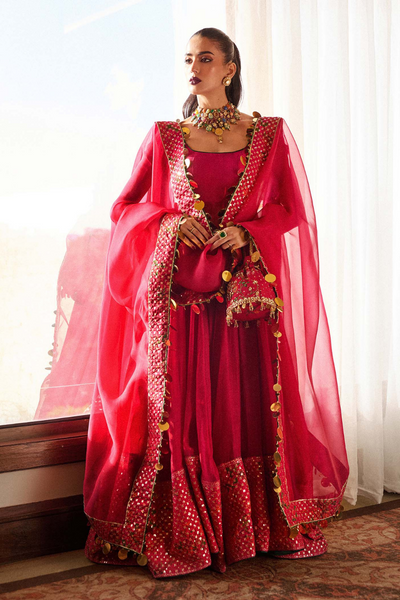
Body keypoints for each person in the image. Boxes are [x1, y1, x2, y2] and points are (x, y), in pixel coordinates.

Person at [83, 27, 349, 579]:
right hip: (181, 304)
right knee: (179, 414)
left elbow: (290, 210)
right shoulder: (165, 138)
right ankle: (183, 529)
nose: (194, 67)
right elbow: (125, 208)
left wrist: (249, 232)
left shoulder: (269, 135)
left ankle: (254, 528)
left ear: (230, 68)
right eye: (189, 58)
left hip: (243, 306)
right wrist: (168, 221)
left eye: (205, 58)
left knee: (242, 409)